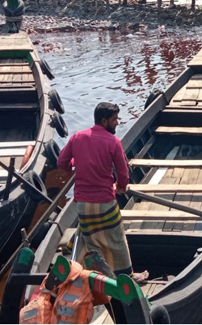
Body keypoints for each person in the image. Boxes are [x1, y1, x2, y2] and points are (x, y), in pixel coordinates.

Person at [56, 103, 145, 281]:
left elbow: (61, 163)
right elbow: (123, 173)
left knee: (92, 241)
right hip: (104, 203)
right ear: (104, 121)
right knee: (116, 240)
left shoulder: (77, 137)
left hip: (82, 205)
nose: (117, 123)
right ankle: (127, 276)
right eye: (114, 120)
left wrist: (74, 163)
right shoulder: (113, 142)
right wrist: (121, 186)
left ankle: (93, 274)